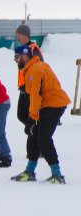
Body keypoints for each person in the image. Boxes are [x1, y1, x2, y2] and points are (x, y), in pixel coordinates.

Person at [11, 45, 70, 184]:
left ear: (25, 56)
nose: (15, 60)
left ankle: (57, 175)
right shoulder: (33, 68)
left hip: (54, 105)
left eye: (16, 57)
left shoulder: (34, 71)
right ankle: (30, 171)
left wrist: (32, 118)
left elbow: (35, 97)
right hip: (48, 105)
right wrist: (32, 119)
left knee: (43, 139)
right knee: (33, 137)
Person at [14, 24, 44, 124]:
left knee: (31, 116)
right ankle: (34, 131)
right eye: (16, 34)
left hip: (31, 88)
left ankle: (35, 132)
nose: (17, 37)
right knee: (21, 115)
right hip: (23, 88)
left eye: (20, 34)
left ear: (27, 35)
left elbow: (38, 66)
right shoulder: (21, 48)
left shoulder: (33, 49)